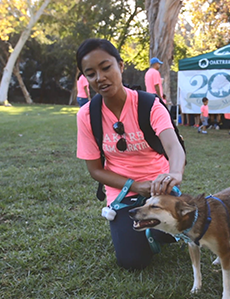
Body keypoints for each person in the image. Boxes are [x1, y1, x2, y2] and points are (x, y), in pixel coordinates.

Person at [75, 39, 185, 270]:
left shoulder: (150, 105)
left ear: (121, 66)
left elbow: (173, 146)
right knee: (132, 260)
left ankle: (167, 221)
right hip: (123, 190)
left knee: (178, 231)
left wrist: (173, 173)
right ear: (85, 78)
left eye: (106, 68)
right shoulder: (87, 115)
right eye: (91, 73)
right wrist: (135, 186)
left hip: (160, 186)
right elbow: (95, 170)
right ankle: (146, 227)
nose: (100, 77)